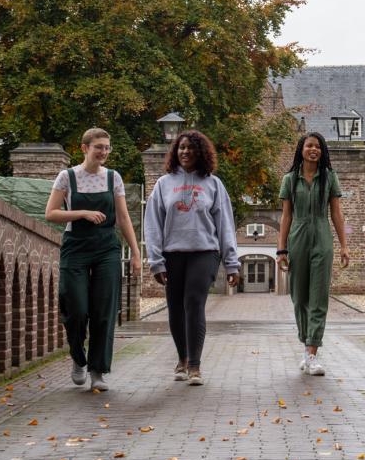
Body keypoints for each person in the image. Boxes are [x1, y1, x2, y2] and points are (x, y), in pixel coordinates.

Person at [45, 128, 140, 391]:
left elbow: (122, 217)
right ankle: (78, 357)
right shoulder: (67, 177)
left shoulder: (113, 178)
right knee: (76, 308)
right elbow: (50, 213)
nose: (104, 152)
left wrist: (135, 252)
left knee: (104, 311)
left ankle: (98, 370)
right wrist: (82, 213)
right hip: (75, 247)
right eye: (99, 146)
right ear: (84, 148)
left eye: (107, 147)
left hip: (107, 248)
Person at [144, 130, 240, 386]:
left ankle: (195, 366)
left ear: (201, 152)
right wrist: (155, 260)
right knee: (175, 307)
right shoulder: (164, 184)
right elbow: (152, 224)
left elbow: (225, 224)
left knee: (194, 302)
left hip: (205, 252)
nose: (185, 152)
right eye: (181, 148)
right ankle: (182, 359)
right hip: (172, 254)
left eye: (190, 148)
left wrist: (231, 262)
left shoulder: (213, 184)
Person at [277, 132, 350, 376]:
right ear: (301, 149)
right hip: (297, 239)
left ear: (322, 151)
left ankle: (312, 353)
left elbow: (337, 214)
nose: (313, 149)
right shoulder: (290, 179)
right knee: (299, 298)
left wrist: (344, 245)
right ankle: (305, 342)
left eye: (317, 146)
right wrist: (281, 249)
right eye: (309, 145)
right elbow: (286, 216)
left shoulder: (329, 177)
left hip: (322, 238)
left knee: (318, 298)